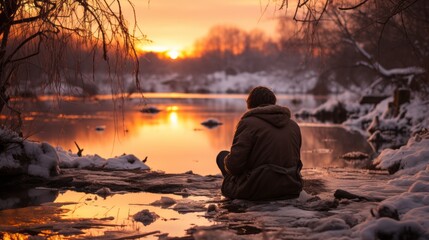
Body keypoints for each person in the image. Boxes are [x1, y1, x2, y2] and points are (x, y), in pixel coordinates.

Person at [217, 86, 303, 201]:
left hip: (259, 189)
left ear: (251, 105)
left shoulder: (248, 123)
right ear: (273, 103)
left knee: (222, 156)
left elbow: (234, 166)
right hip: (291, 186)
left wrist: (229, 162)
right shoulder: (293, 126)